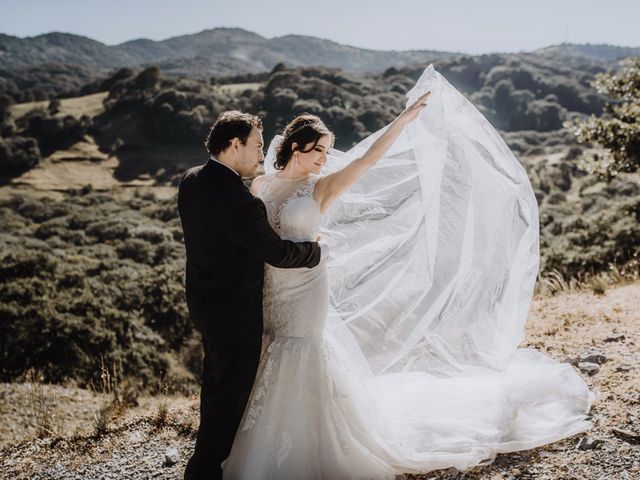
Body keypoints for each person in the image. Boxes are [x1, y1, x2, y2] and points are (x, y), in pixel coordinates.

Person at [221, 65, 594, 479]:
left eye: (328, 151)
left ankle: (315, 442)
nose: (324, 159)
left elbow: (366, 160)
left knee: (302, 350)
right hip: (271, 289)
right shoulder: (261, 186)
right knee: (272, 349)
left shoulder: (322, 188)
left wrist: (402, 120)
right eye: (317, 151)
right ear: (294, 147)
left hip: (308, 289)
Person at [177, 110, 324, 480]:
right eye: (257, 145)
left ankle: (206, 460)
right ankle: (206, 470)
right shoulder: (239, 201)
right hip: (233, 311)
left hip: (203, 302)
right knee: (232, 392)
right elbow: (277, 253)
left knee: (214, 382)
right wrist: (316, 251)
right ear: (234, 144)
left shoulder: (191, 180)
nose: (261, 155)